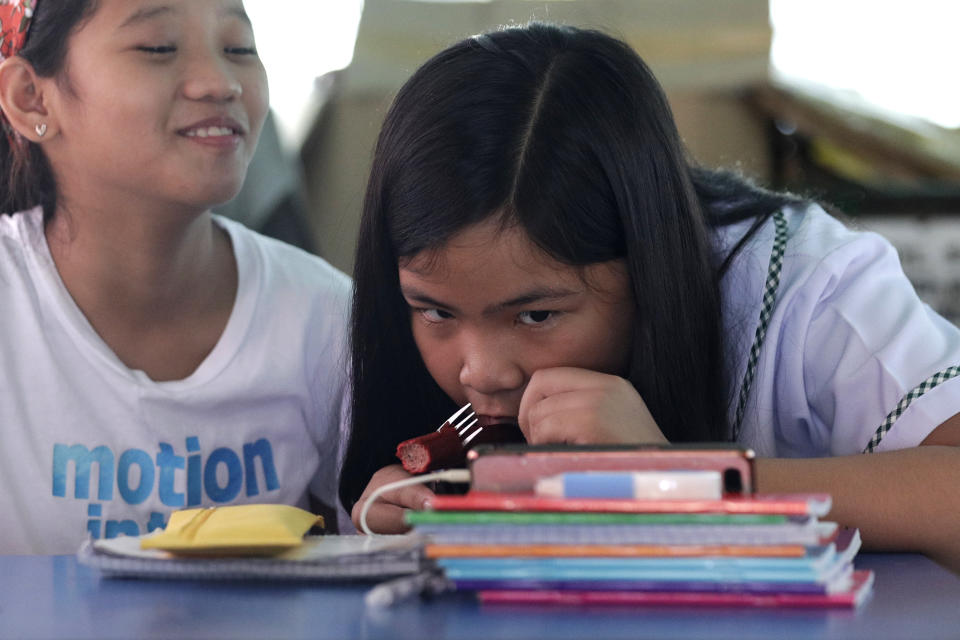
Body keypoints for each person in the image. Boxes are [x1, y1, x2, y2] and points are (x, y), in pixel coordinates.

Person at [339, 22, 960, 568]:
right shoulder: (382, 326)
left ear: (645, 259)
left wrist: (678, 477)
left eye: (536, 314)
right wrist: (397, 525)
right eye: (436, 312)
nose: (481, 372)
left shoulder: (807, 285)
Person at [0, 0, 353, 554]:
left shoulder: (325, 317)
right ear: (30, 96)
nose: (219, 82)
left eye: (239, 48)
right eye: (158, 48)